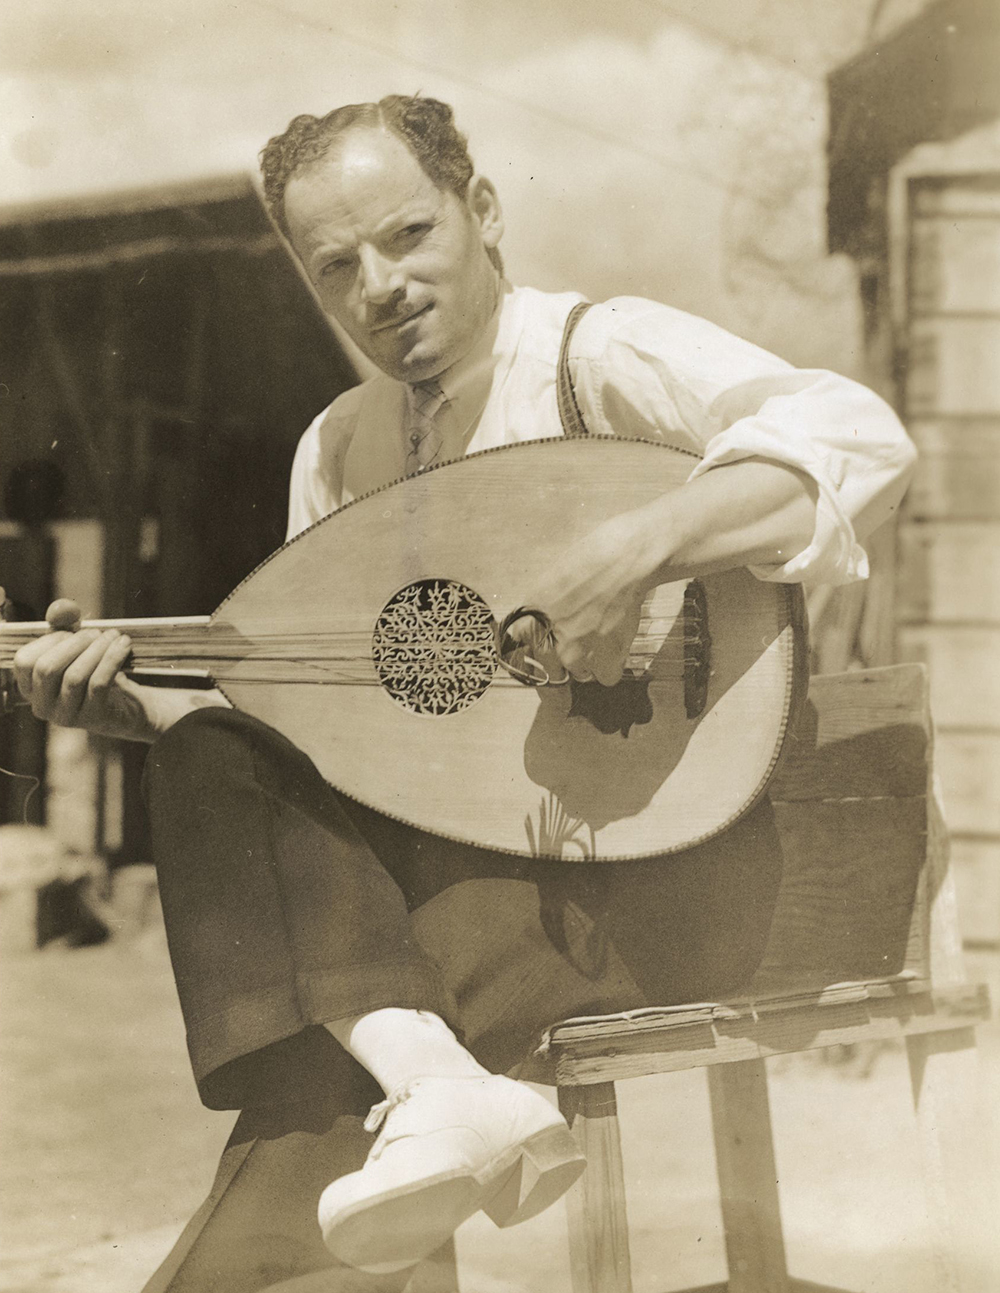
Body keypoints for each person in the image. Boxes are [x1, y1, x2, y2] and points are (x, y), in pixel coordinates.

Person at [8, 95, 916, 1291]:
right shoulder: (337, 446)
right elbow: (324, 742)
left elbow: (858, 436)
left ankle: (423, 1085)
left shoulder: (599, 354)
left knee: (334, 1059)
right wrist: (146, 716)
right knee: (217, 755)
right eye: (336, 265)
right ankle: (436, 1085)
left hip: (692, 853)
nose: (379, 283)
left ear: (482, 212)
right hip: (478, 873)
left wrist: (637, 548)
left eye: (407, 234)